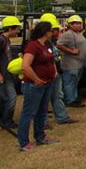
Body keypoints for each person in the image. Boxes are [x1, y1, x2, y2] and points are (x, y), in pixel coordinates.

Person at [17, 21, 59, 151]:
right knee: (29, 113)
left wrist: (54, 72)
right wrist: (36, 79)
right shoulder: (33, 46)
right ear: (46, 32)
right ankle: (24, 142)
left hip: (47, 83)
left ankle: (40, 136)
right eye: (51, 31)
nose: (53, 33)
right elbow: (26, 66)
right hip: (34, 85)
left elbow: (51, 60)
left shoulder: (46, 45)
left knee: (42, 111)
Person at [0, 15, 22, 130]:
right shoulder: (0, 40)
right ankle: (7, 121)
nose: (18, 30)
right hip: (2, 75)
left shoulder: (6, 40)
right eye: (17, 28)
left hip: (7, 74)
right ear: (10, 28)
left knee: (1, 98)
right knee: (11, 98)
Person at [57, 15, 86, 108]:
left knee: (74, 82)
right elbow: (59, 45)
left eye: (79, 23)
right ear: (70, 25)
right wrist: (71, 51)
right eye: (76, 23)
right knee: (69, 82)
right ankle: (70, 100)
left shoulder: (79, 33)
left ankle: (73, 98)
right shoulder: (68, 34)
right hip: (70, 64)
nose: (79, 25)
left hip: (78, 64)